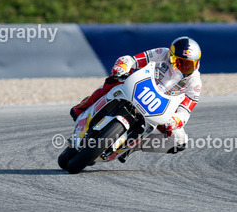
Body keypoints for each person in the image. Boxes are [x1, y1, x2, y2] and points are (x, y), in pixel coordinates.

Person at [70, 36, 202, 154]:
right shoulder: (162, 53)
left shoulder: (195, 83)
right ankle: (84, 106)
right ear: (171, 55)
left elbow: (185, 111)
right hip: (140, 89)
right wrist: (122, 68)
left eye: (188, 65)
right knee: (115, 81)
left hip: (160, 109)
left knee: (180, 140)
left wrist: (175, 120)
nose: (182, 67)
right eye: (178, 62)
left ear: (196, 64)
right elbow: (132, 60)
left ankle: (133, 146)